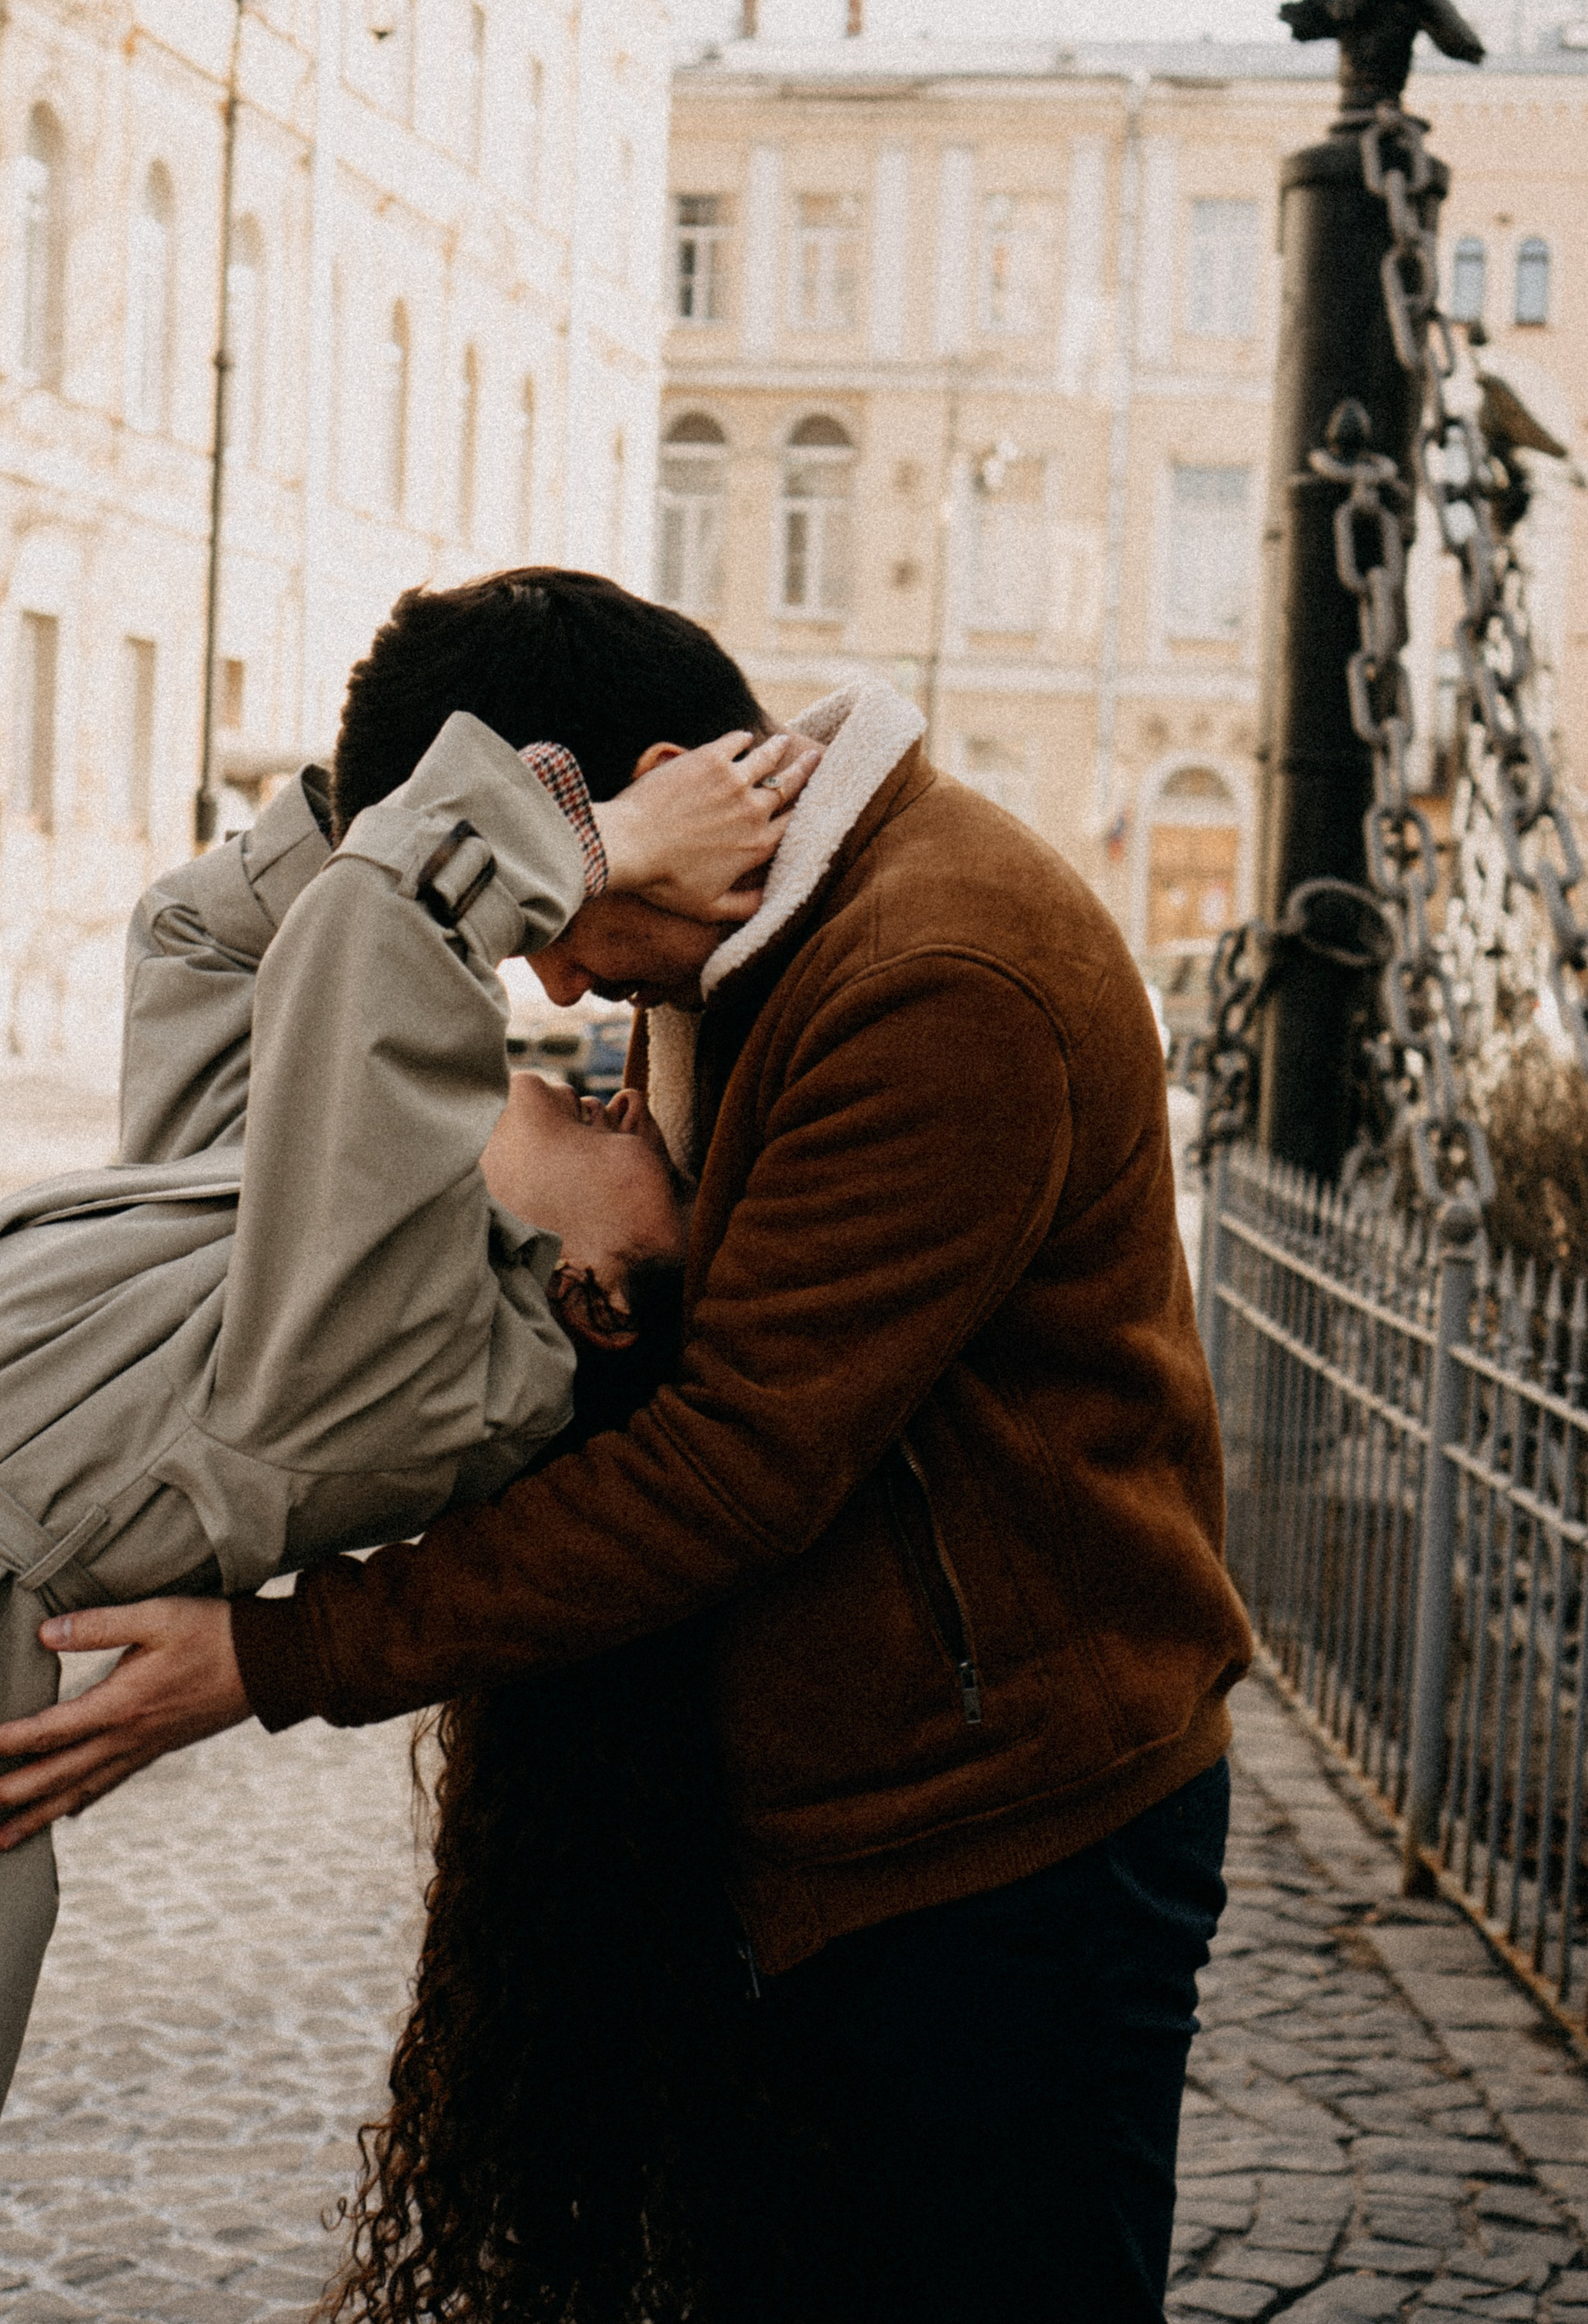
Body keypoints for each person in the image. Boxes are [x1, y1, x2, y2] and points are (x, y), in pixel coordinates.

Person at [0, 567, 1255, 2324]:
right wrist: (421, 806)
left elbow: (733, 1463)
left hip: (992, 1835)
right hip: (852, 1803)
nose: (565, 987)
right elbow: (235, 954)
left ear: (655, 787)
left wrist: (280, 1653)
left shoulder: (933, 976)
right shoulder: (750, 946)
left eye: (565, 924)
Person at [0, 673, 814, 2105]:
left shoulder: (422, 1359)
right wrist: (369, 784)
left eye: (651, 1153)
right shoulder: (305, 1235)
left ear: (599, 1299)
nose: (618, 1096)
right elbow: (201, 938)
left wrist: (606, 840)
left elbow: (388, 934)